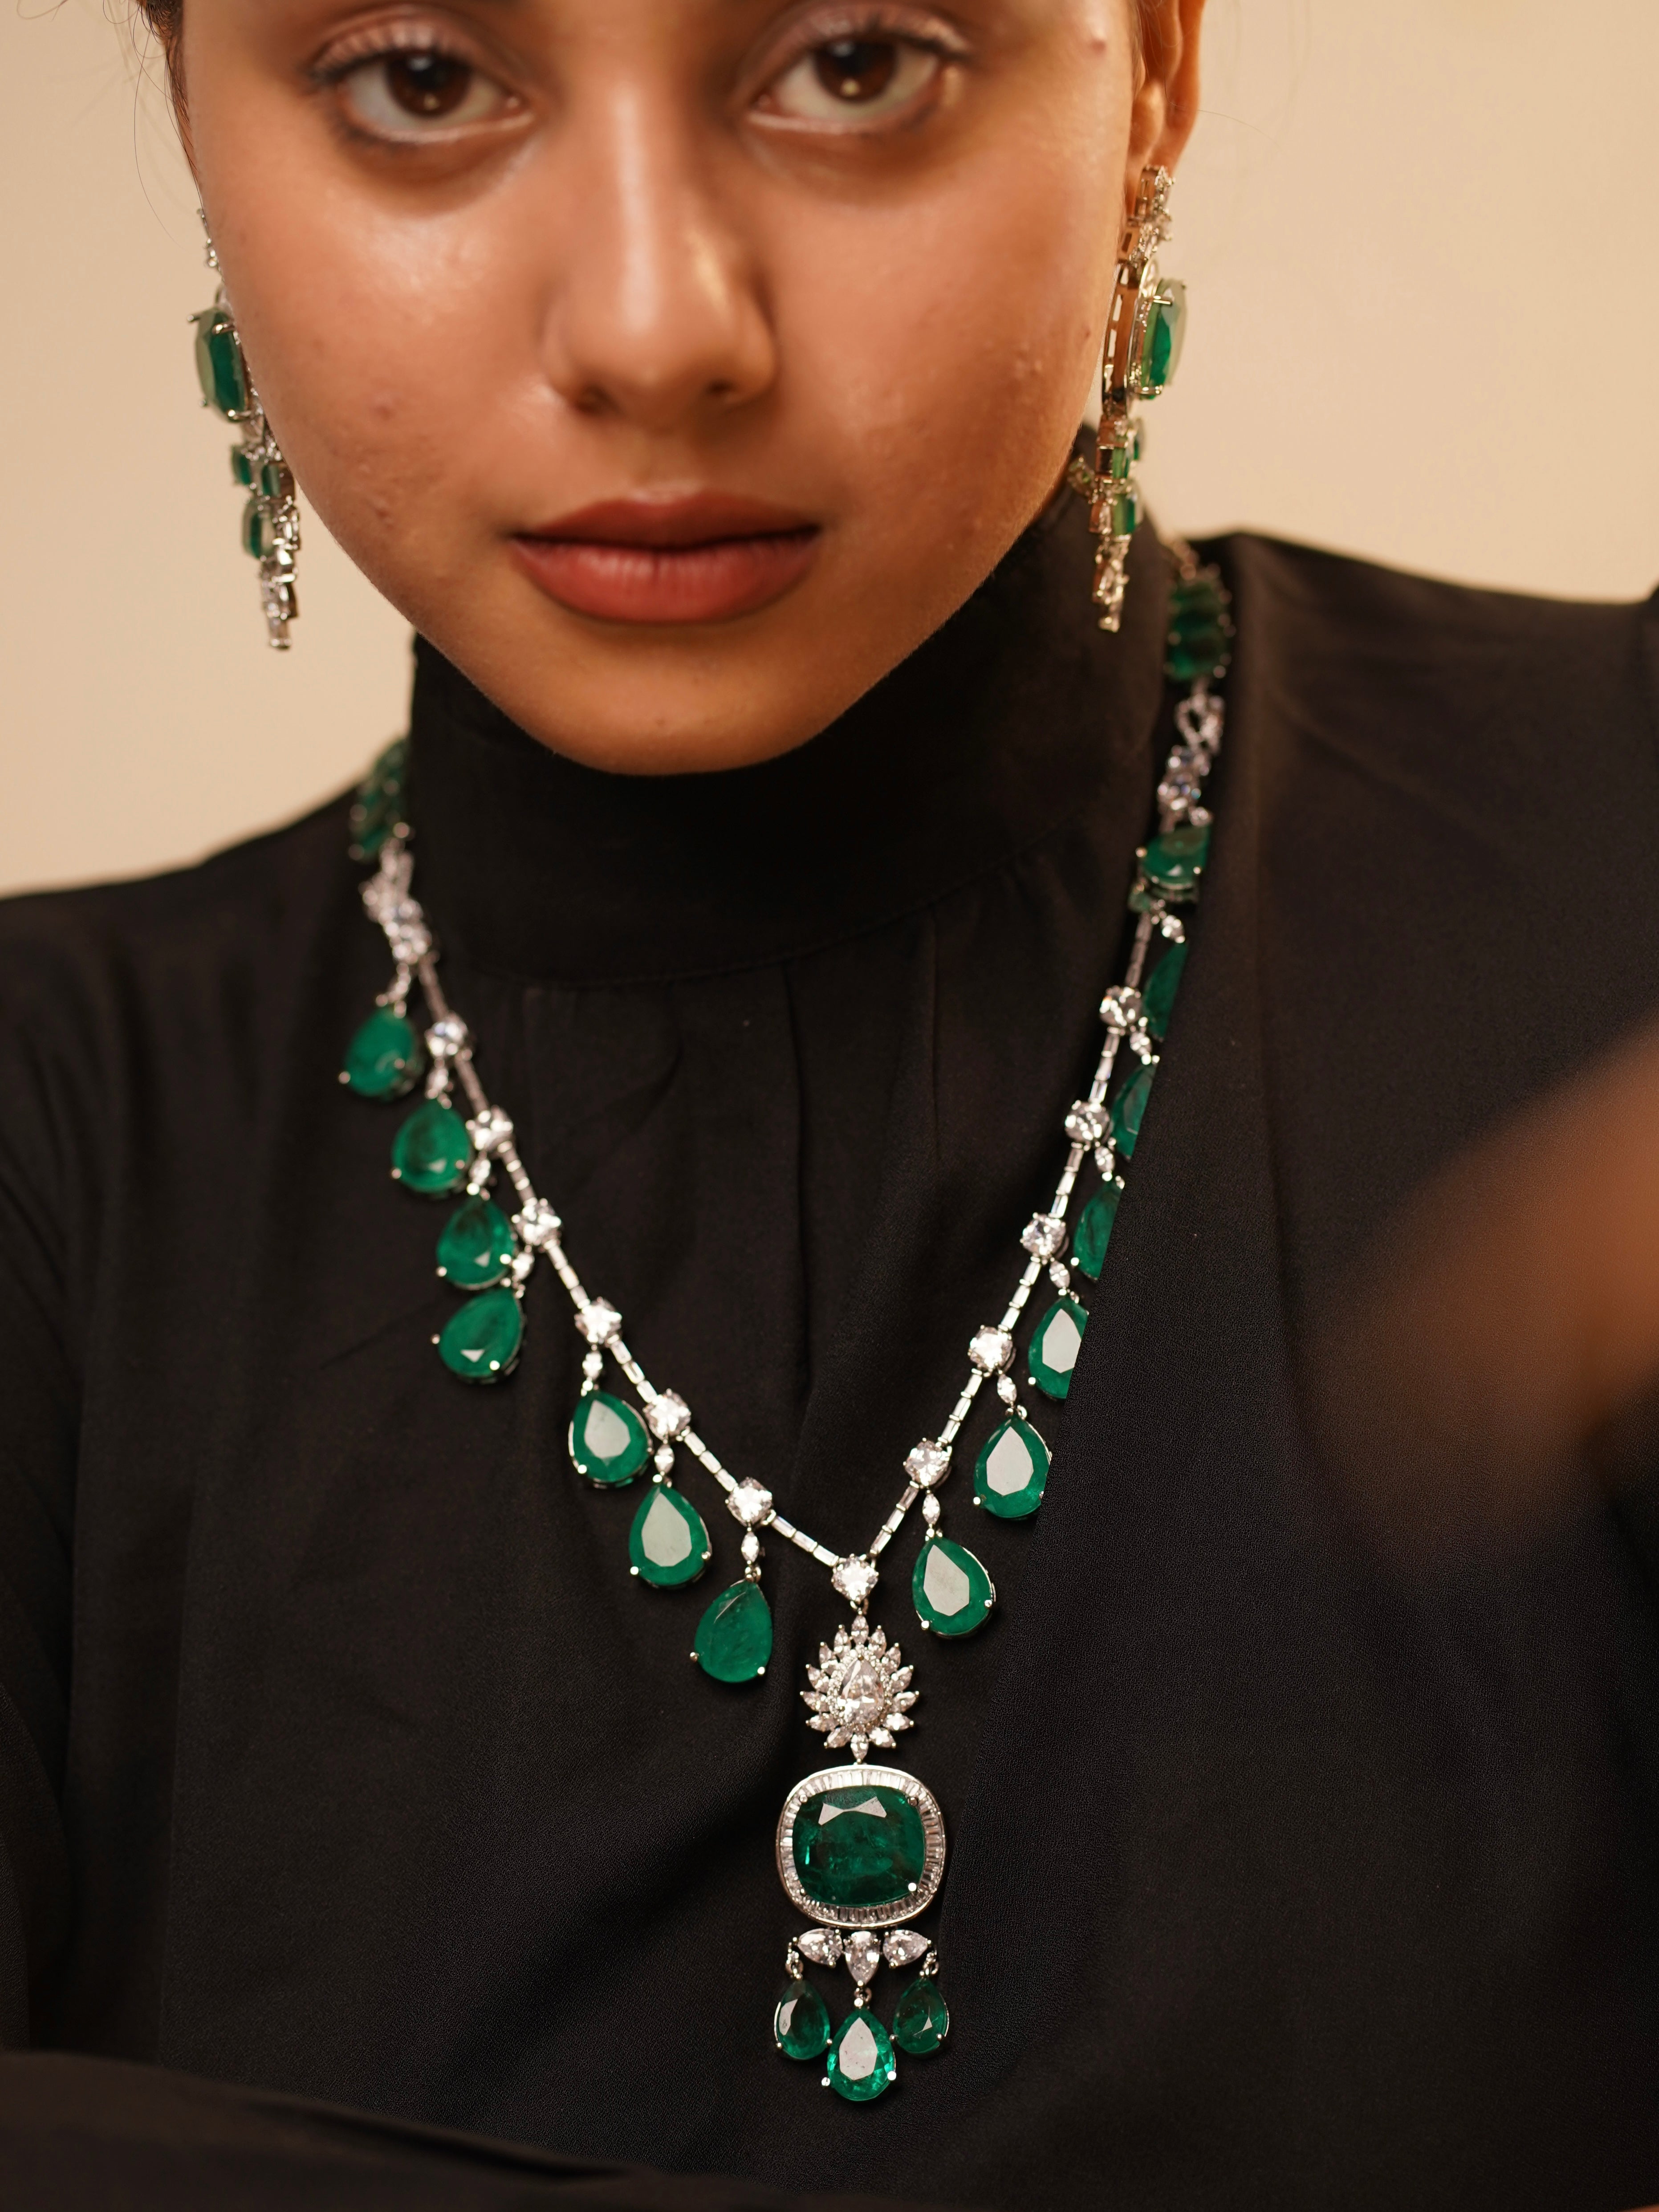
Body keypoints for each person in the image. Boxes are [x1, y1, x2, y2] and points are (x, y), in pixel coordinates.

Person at [2, 0, 1657, 2206]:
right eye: (420, 80)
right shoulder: (48, 1148)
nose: (658, 325)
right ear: (199, 127)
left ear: (1149, 66)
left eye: (855, 58)